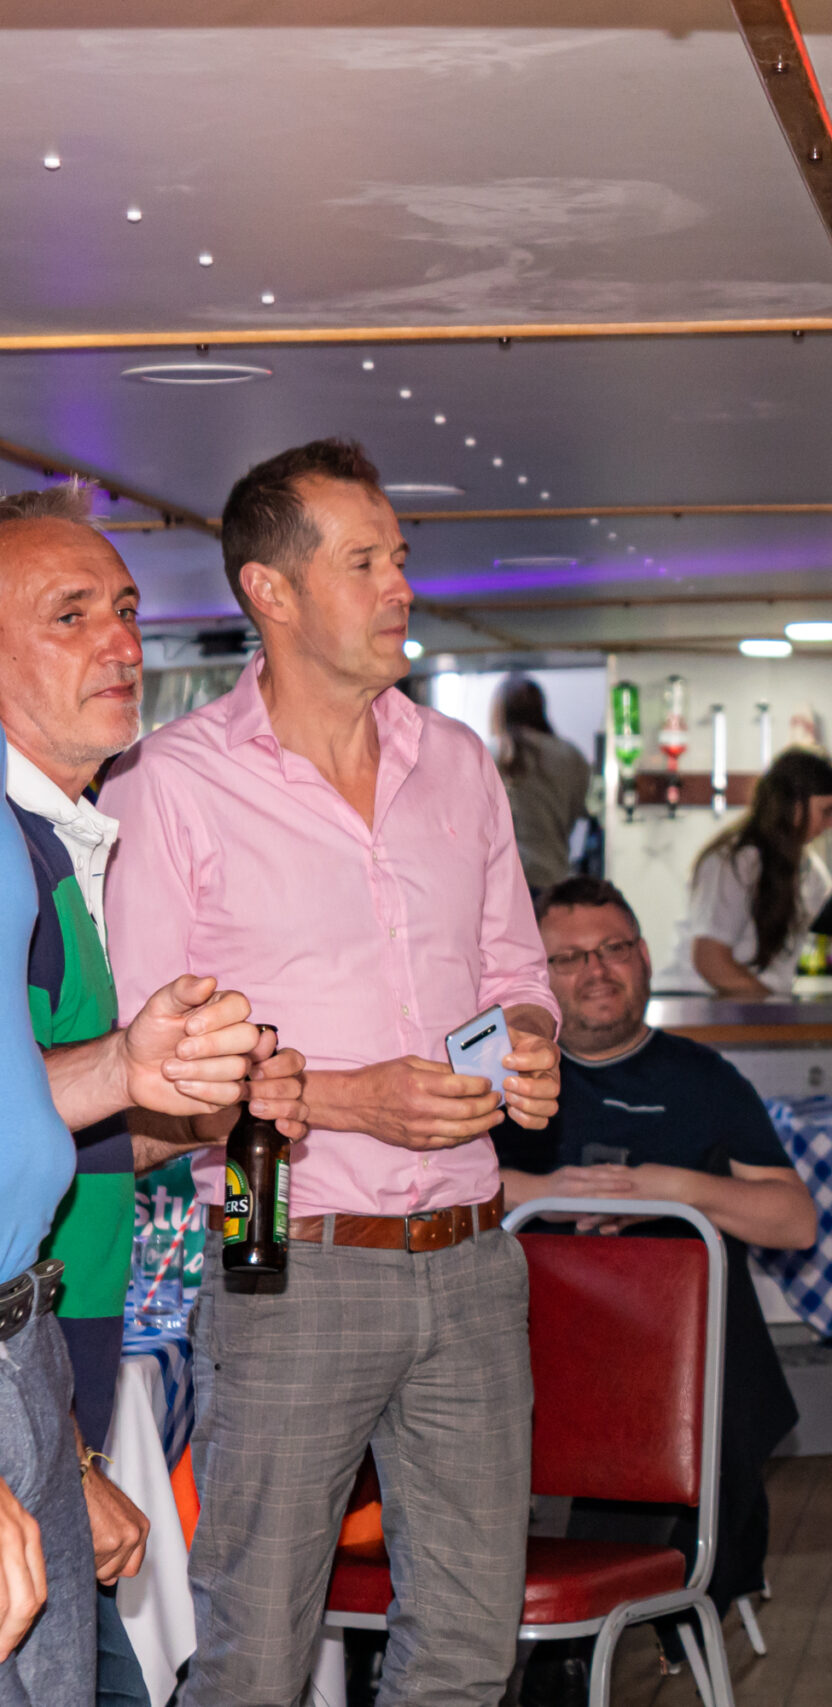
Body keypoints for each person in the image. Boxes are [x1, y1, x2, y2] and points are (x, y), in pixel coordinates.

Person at [97, 437, 563, 1707]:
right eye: (365, 562)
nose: (401, 585)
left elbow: (517, 968)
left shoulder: (458, 764)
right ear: (272, 591)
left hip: (473, 1256)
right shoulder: (170, 786)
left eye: (400, 557)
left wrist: (527, 1041)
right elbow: (147, 1063)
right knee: (255, 1655)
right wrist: (357, 1098)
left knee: (469, 1650)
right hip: (286, 1255)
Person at [0, 482, 309, 1706]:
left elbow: (42, 1113)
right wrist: (75, 1455)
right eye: (70, 615)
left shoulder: (57, 841)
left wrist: (187, 1103)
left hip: (45, 1355)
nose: (121, 643)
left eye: (126, 611)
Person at [490, 875, 814, 1701]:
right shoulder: (503, 1076)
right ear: (534, 974)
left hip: (667, 1385)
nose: (596, 970)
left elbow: (795, 1221)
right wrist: (552, 1189)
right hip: (516, 1361)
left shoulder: (702, 1078)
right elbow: (429, 1191)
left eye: (613, 949)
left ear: (643, 957)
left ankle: (571, 1647)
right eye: (568, 957)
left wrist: (672, 1190)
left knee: (688, 1337)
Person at [660, 750, 832, 998]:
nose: (831, 824)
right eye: (827, 810)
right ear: (794, 805)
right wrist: (772, 1007)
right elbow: (710, 960)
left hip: (744, 1006)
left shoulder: (808, 869)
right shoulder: (734, 861)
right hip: (696, 1000)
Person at [489, 674, 590, 895]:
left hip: (503, 881)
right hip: (553, 877)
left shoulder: (490, 753)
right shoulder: (571, 755)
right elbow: (583, 811)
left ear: (499, 711)